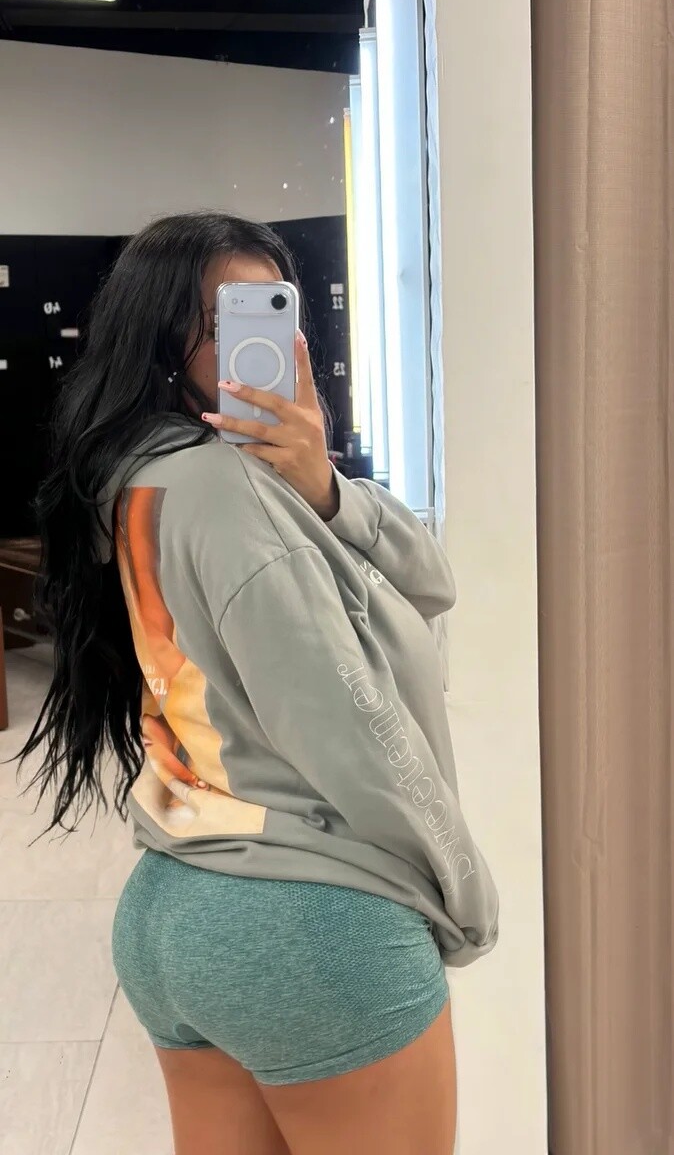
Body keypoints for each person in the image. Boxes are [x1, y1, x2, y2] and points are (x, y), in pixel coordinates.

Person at [17, 212, 498, 1155]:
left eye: (275, 310)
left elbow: (427, 577)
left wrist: (324, 485)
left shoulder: (141, 478)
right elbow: (349, 725)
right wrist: (463, 888)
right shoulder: (224, 492)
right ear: (161, 339)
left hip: (173, 906)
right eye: (225, 320)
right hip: (309, 922)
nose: (263, 344)